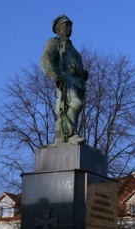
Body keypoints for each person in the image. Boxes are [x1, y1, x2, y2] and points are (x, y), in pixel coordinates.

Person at [40, 15, 89, 145]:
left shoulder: (72, 48)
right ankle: (70, 134)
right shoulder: (54, 42)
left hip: (77, 83)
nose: (69, 28)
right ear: (58, 28)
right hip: (65, 82)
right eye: (66, 25)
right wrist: (55, 76)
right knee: (75, 104)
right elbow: (46, 59)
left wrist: (82, 74)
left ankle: (61, 137)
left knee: (72, 109)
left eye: (70, 26)